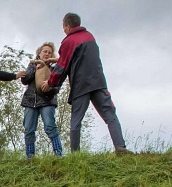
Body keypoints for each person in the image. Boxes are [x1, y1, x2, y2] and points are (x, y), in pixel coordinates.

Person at [47, 14, 130, 155]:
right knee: (110, 115)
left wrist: (50, 83)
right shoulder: (90, 37)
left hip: (81, 85)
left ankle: (75, 154)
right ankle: (120, 147)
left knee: (76, 121)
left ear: (67, 26)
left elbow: (61, 67)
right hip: (98, 82)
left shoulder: (68, 41)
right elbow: (81, 58)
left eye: (64, 27)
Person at [21, 43, 65, 157]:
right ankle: (30, 156)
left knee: (50, 126)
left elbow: (57, 87)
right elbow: (25, 80)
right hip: (31, 101)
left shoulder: (54, 69)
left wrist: (50, 87)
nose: (47, 54)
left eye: (49, 52)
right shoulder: (32, 65)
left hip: (47, 101)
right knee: (29, 129)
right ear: (39, 53)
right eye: (45, 51)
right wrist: (36, 69)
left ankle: (58, 153)